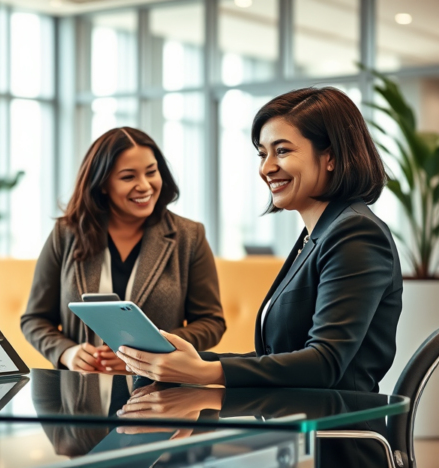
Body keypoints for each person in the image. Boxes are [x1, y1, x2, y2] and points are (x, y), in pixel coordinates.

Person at [117, 87, 403, 393]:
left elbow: (325, 363)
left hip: (333, 434)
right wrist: (194, 361)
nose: (266, 168)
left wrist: (205, 372)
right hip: (290, 425)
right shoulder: (317, 235)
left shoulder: (355, 233)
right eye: (263, 153)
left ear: (330, 156)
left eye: (282, 151)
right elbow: (278, 360)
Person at [21, 127, 226, 373]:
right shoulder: (65, 234)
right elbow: (34, 319)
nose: (145, 186)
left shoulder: (189, 237)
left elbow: (211, 323)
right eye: (128, 177)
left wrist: (149, 352)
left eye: (151, 172)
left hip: (159, 395)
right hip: (79, 397)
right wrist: (66, 352)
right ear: (103, 184)